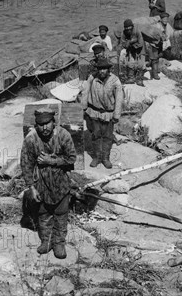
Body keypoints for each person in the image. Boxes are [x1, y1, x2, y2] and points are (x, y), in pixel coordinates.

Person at [20, 108, 76, 259]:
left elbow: (71, 158)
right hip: (41, 183)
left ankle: (59, 243)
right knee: (43, 214)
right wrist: (31, 187)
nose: (44, 128)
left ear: (53, 122)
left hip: (61, 182)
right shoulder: (31, 139)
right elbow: (26, 164)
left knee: (61, 213)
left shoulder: (63, 135)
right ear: (36, 125)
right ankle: (46, 240)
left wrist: (52, 160)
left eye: (48, 123)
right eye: (41, 124)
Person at [82, 57, 123, 169]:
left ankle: (105, 158)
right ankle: (96, 157)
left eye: (104, 69)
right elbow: (85, 92)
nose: (102, 71)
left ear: (108, 70)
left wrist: (116, 114)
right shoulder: (92, 78)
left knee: (107, 136)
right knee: (95, 135)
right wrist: (84, 107)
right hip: (94, 112)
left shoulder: (115, 81)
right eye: (100, 69)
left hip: (108, 114)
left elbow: (119, 99)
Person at [117, 19, 145, 84]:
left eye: (129, 28)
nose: (128, 30)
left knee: (140, 64)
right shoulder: (124, 33)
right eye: (126, 28)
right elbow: (122, 42)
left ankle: (139, 79)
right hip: (130, 49)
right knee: (130, 63)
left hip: (140, 49)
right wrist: (126, 44)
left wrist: (131, 42)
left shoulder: (137, 31)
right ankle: (131, 78)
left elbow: (141, 43)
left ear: (132, 27)